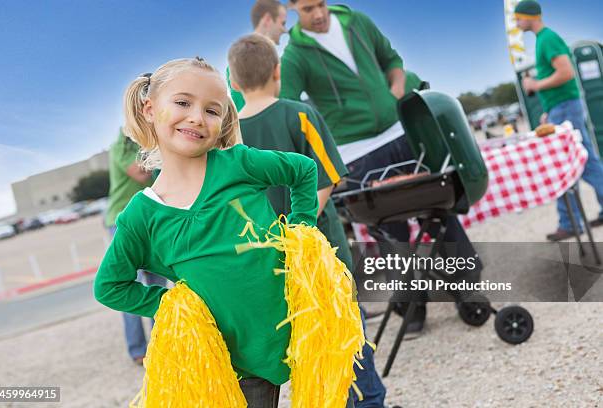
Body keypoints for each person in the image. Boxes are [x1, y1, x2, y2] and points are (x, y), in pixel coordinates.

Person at [94, 56, 326, 407]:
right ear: (150, 108)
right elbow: (109, 287)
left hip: (304, 329)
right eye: (183, 103)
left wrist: (303, 232)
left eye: (212, 110)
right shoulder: (140, 216)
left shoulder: (239, 164)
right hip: (234, 361)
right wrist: (175, 306)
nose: (197, 118)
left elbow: (304, 170)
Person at [280, 0, 481, 341]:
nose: (317, 13)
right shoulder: (295, 56)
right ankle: (412, 307)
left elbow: (392, 61)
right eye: (307, 7)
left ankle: (468, 292)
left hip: (400, 133)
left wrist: (395, 94)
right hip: (356, 152)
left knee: (440, 212)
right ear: (291, 7)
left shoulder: (358, 21)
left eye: (320, 4)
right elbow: (288, 104)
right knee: (390, 232)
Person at [228, 33, 387, 408]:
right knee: (346, 332)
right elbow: (327, 178)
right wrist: (298, 233)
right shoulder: (299, 113)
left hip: (267, 262)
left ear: (233, 83)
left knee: (298, 340)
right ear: (278, 71)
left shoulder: (230, 135)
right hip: (322, 254)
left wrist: (277, 240)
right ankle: (367, 401)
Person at [516, 0, 603, 241]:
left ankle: (570, 222)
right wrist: (548, 107)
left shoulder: (547, 38)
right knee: (584, 160)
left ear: (529, 16)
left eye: (518, 18)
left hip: (565, 106)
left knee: (569, 163)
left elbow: (565, 72)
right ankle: (572, 220)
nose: (516, 22)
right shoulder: (543, 39)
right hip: (561, 106)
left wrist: (535, 85)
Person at [104, 128, 167, 365]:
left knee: (158, 284)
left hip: (149, 218)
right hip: (122, 220)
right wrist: (166, 153)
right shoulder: (122, 144)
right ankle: (138, 350)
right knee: (130, 286)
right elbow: (140, 174)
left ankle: (160, 344)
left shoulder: (152, 139)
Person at [228, 0, 287, 111]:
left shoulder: (235, 62)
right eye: (282, 23)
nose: (284, 30)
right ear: (268, 19)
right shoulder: (273, 64)